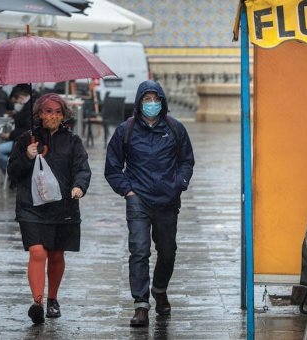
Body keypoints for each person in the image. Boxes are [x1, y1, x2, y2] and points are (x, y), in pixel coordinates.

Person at [104, 80, 194, 327]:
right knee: (139, 251)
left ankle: (160, 290)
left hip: (167, 200)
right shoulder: (127, 130)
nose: (151, 104)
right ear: (139, 102)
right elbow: (112, 167)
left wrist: (180, 182)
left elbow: (187, 160)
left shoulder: (175, 128)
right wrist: (128, 192)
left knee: (167, 251)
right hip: (138, 200)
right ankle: (141, 305)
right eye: (147, 100)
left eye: (155, 99)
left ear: (162, 101)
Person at [7, 93, 91, 324]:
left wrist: (79, 187)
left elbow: (82, 169)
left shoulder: (73, 142)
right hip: (31, 207)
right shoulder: (27, 139)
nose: (52, 116)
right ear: (39, 114)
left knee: (56, 254)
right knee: (37, 252)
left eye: (57, 112)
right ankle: (38, 302)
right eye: (47, 111)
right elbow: (13, 173)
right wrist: (26, 156)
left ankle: (53, 298)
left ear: (64, 115)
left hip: (63, 206)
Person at [0, 85, 33, 174]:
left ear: (21, 97)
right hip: (27, 141)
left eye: (17, 101)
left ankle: (15, 172)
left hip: (25, 142)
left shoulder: (29, 108)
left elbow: (27, 129)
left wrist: (10, 135)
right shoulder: (30, 105)